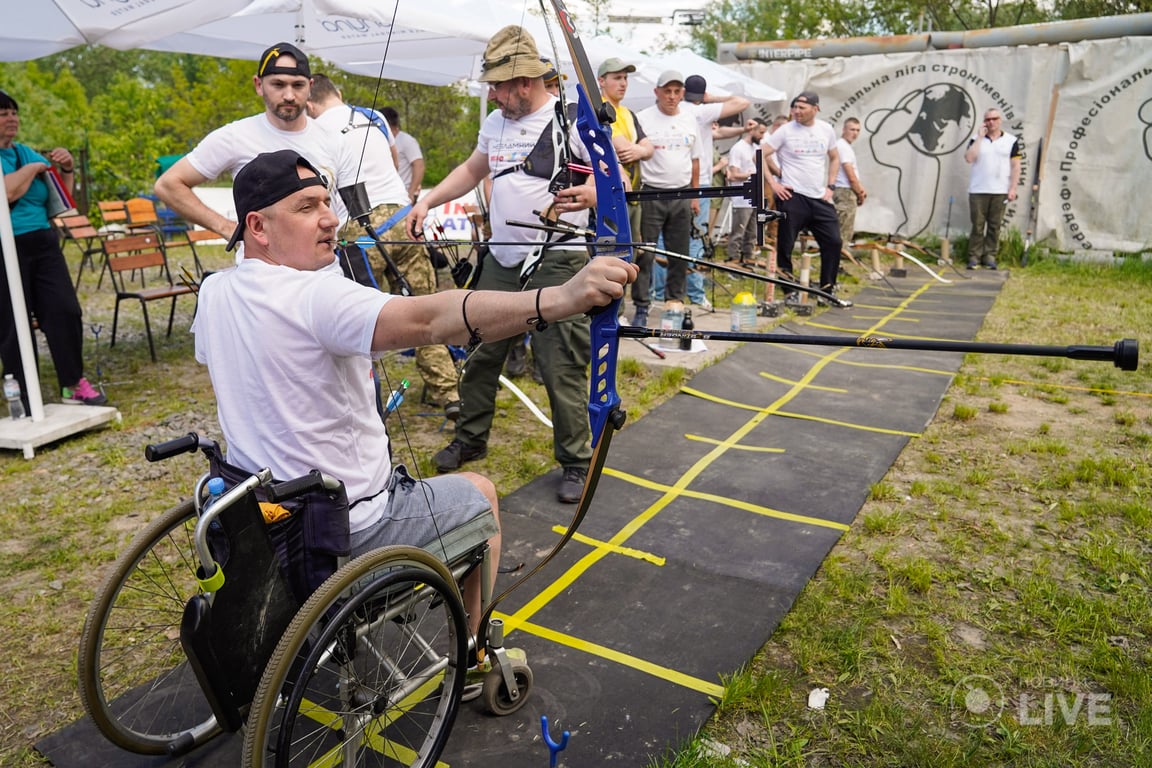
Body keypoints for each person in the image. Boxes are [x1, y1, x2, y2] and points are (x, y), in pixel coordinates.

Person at [193, 149, 636, 638]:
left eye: (326, 202)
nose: (329, 219)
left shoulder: (214, 292)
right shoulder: (317, 297)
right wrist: (561, 298)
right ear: (257, 226)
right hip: (343, 533)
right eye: (306, 207)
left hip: (260, 525)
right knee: (481, 492)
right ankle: (475, 650)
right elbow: (431, 320)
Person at [407, 25, 600, 504]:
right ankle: (471, 438)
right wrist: (427, 201)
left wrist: (591, 193)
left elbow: (612, 180)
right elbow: (473, 170)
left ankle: (576, 460)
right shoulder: (495, 123)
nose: (492, 95)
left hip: (557, 255)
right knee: (479, 349)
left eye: (498, 85)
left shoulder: (569, 119)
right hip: (501, 256)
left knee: (559, 361)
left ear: (524, 83)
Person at [307, 73, 460, 420]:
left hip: (361, 232)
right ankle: (448, 393)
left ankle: (363, 402)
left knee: (358, 321)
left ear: (310, 105)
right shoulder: (372, 115)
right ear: (338, 93)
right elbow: (393, 163)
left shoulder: (313, 131)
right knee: (425, 309)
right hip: (402, 219)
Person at [154, 42, 358, 239]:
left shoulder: (334, 140)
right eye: (278, 84)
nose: (289, 95)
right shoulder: (235, 136)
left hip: (326, 261)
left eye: (298, 85)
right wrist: (226, 227)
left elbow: (354, 211)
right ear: (259, 85)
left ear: (310, 87)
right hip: (260, 262)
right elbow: (168, 185)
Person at [0, 89, 106, 408]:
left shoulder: (26, 153)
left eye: (14, 113)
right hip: (6, 248)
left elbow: (61, 199)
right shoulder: (31, 162)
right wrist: (34, 169)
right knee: (13, 322)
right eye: (3, 113)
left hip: (44, 242)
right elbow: (6, 193)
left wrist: (68, 169)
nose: (11, 118)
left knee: (64, 310)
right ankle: (22, 395)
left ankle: (72, 384)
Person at [762, 91, 850, 304]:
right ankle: (789, 290)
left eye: (802, 108)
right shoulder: (785, 131)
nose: (796, 112)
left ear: (815, 109)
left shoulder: (825, 129)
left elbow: (835, 157)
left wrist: (831, 185)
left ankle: (827, 290)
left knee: (834, 241)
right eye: (794, 107)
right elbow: (759, 154)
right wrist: (774, 184)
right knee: (786, 245)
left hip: (819, 197)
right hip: (792, 196)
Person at [633, 70, 702, 324]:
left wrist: (695, 195)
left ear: (682, 93)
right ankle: (641, 305)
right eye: (667, 91)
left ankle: (675, 301)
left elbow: (695, 160)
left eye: (676, 92)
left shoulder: (689, 119)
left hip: (682, 191)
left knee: (679, 253)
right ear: (657, 92)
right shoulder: (643, 118)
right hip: (651, 191)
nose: (672, 97)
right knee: (645, 252)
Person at [597, 57, 653, 320]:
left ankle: (630, 308)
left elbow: (648, 146)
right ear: (601, 81)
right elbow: (619, 146)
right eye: (617, 78)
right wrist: (640, 149)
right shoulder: (600, 109)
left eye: (625, 78)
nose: (623, 83)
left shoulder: (628, 113)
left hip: (633, 196)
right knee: (614, 255)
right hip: (611, 196)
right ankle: (613, 312)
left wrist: (640, 150)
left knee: (633, 253)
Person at [964, 108, 1021, 270]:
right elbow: (969, 158)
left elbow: (1016, 166)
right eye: (988, 119)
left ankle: (990, 256)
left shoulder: (1011, 140)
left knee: (994, 226)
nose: (991, 122)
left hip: (1000, 190)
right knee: (977, 225)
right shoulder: (975, 139)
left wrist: (1012, 188)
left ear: (1000, 120)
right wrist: (980, 137)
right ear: (984, 122)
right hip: (978, 189)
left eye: (994, 119)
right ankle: (974, 256)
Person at [726, 117, 769, 265]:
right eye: (761, 132)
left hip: (755, 195)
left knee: (752, 231)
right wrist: (752, 175)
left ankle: (748, 258)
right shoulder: (738, 148)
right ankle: (734, 258)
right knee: (739, 231)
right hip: (742, 196)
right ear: (752, 130)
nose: (762, 136)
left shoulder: (757, 147)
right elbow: (733, 175)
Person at [833, 117, 868, 248]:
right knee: (844, 228)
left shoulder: (845, 146)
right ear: (844, 130)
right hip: (845, 190)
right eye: (852, 129)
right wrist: (859, 193)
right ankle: (839, 254)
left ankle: (840, 252)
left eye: (858, 130)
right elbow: (850, 175)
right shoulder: (843, 147)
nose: (855, 133)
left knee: (845, 225)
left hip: (845, 189)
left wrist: (860, 189)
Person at [381, 107, 425, 204]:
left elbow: (419, 165)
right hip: (385, 195)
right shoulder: (380, 141)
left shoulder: (407, 141)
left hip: (403, 195)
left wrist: (411, 192)